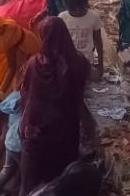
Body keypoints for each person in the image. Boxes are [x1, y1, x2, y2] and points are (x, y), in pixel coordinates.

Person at [17, 17, 90, 193]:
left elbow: (24, 92)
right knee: (61, 186)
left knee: (28, 187)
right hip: (66, 136)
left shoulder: (34, 64)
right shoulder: (78, 62)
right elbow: (81, 91)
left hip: (37, 135)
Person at [60, 0, 104, 79]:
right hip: (68, 62)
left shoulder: (93, 17)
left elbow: (98, 42)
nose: (77, 12)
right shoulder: (62, 18)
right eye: (72, 10)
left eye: (79, 8)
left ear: (85, 4)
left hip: (87, 62)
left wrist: (100, 64)